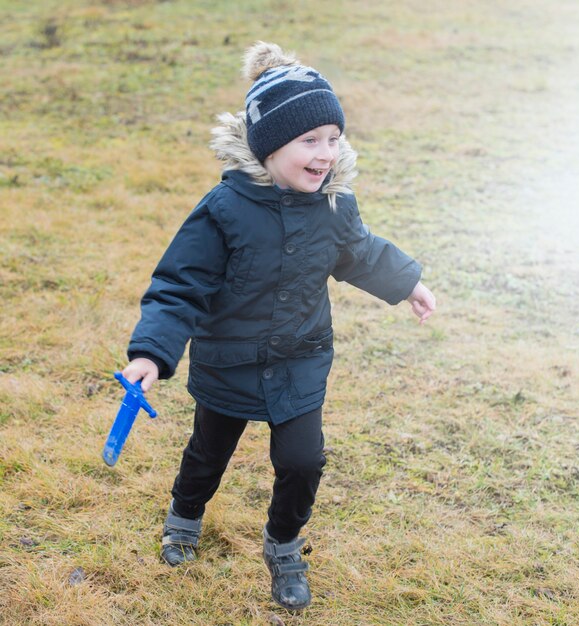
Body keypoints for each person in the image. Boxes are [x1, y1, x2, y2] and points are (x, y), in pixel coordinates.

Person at [121, 41, 436, 611]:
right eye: (309, 141)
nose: (326, 154)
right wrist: (151, 353)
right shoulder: (223, 210)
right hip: (229, 358)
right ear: (268, 147)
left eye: (333, 139)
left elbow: (359, 254)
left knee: (303, 460)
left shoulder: (334, 205)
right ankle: (184, 517)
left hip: (300, 356)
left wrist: (407, 282)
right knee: (207, 451)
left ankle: (284, 545)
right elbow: (179, 285)